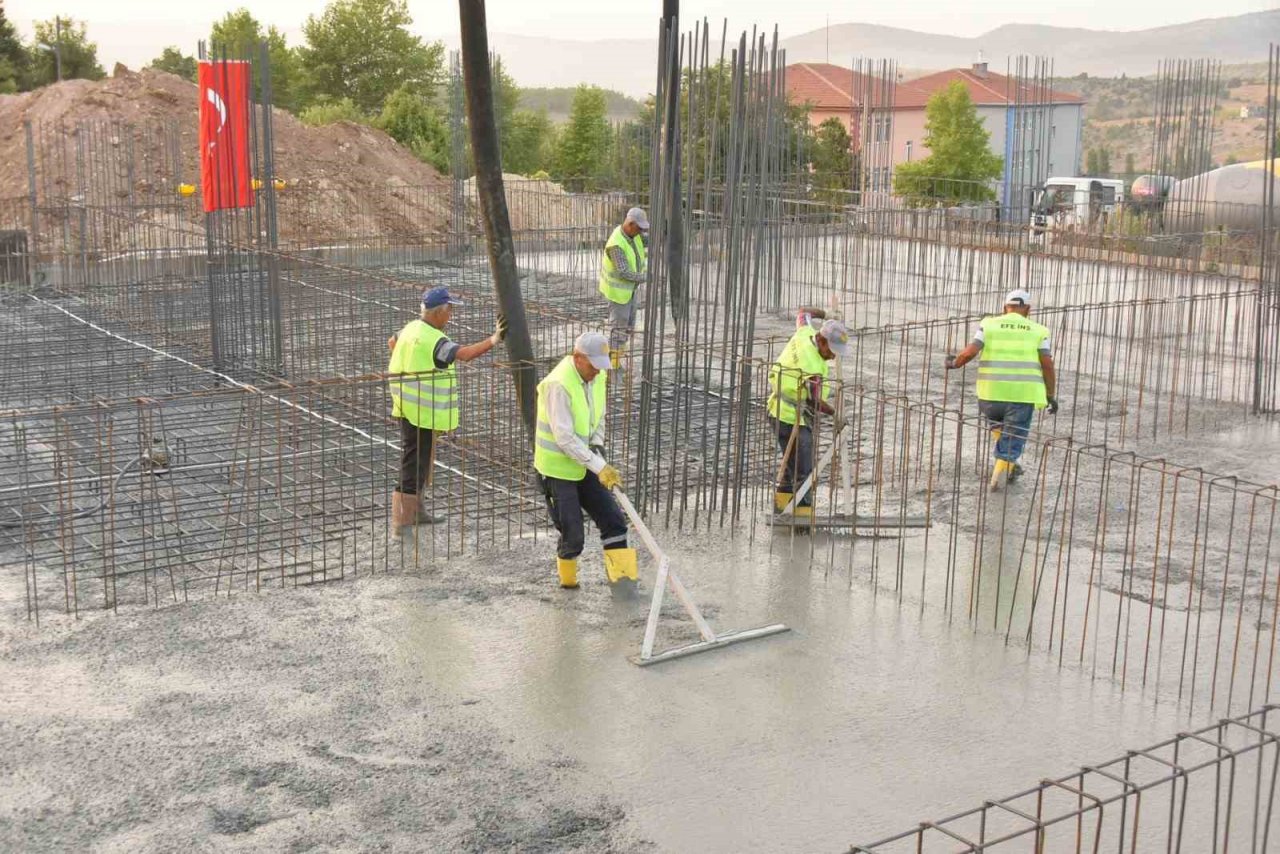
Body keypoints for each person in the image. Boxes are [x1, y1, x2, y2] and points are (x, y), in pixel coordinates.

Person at [387, 286, 505, 537]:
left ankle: (416, 512)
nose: (450, 315)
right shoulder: (436, 340)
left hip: (408, 407)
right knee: (413, 465)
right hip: (423, 412)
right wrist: (495, 338)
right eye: (449, 310)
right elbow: (465, 355)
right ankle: (401, 523)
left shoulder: (410, 328)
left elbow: (392, 342)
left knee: (420, 461)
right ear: (439, 312)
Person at [533, 331, 636, 593]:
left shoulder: (596, 378)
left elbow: (597, 417)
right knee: (573, 535)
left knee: (613, 519)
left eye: (602, 367)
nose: (598, 373)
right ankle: (568, 584)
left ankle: (623, 583)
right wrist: (600, 466)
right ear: (578, 358)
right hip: (557, 470)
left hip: (587, 461)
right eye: (593, 366)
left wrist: (597, 448)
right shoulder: (558, 384)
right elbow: (565, 439)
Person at [944, 288, 1059, 491]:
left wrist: (954, 363)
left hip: (989, 395)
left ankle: (1011, 467)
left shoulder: (988, 324)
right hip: (1021, 396)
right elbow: (1047, 364)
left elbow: (970, 352)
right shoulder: (1038, 330)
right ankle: (997, 482)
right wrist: (1050, 394)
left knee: (999, 427)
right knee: (1012, 441)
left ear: (1005, 307)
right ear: (1028, 309)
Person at [767, 317, 852, 517]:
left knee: (792, 465)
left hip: (776, 410)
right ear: (821, 341)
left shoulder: (804, 333)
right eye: (831, 351)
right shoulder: (812, 367)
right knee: (804, 472)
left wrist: (823, 313)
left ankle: (782, 506)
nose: (833, 357)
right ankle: (802, 520)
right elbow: (814, 401)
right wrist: (835, 414)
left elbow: (802, 313)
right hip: (791, 417)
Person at [598, 207, 648, 368]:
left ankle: (617, 358)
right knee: (618, 330)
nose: (641, 232)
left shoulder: (633, 236)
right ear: (630, 224)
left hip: (629, 291)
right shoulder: (616, 244)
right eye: (639, 228)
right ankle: (612, 364)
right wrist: (647, 277)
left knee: (628, 327)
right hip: (618, 294)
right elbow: (624, 272)